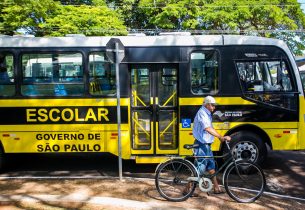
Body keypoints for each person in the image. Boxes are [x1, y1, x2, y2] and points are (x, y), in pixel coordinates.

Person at [193, 95, 231, 194]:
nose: (214, 107)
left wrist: (219, 136)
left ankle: (216, 188)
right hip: (202, 144)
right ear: (207, 104)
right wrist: (220, 137)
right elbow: (207, 128)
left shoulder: (207, 113)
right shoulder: (202, 113)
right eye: (212, 105)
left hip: (206, 144)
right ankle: (187, 189)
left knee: (211, 166)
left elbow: (210, 128)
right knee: (200, 169)